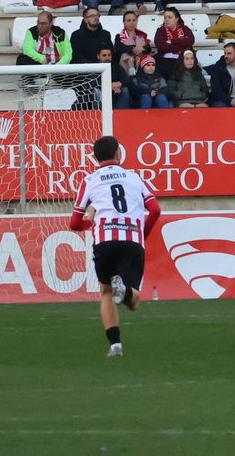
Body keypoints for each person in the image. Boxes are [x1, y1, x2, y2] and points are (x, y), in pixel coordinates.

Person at [69, 134, 161, 358]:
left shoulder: (89, 180)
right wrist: (142, 234)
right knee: (133, 302)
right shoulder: (135, 178)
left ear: (94, 157)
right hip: (132, 240)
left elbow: (73, 223)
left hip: (105, 240)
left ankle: (115, 345)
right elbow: (156, 210)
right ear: (118, 154)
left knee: (105, 292)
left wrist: (89, 221)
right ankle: (127, 290)